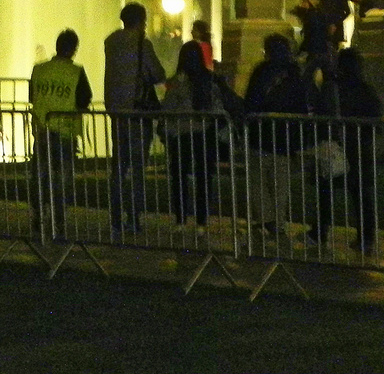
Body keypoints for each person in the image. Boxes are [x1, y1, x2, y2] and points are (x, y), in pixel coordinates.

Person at [244, 33, 318, 240]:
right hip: (283, 137)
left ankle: (269, 221)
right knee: (279, 186)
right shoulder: (295, 74)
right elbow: (302, 105)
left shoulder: (262, 72)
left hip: (262, 135)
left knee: (260, 183)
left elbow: (251, 100)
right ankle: (277, 223)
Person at [103, 2, 166, 236]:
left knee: (119, 166)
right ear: (140, 21)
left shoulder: (110, 42)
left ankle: (116, 216)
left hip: (117, 111)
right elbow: (157, 73)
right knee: (138, 167)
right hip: (138, 112)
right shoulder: (142, 43)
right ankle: (135, 216)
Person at [312, 49, 381, 252]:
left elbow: (321, 109)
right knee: (361, 194)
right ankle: (365, 237)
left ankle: (320, 231)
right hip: (359, 146)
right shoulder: (364, 89)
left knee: (327, 190)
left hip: (339, 146)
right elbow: (375, 114)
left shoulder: (334, 88)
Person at [29, 29, 93, 241]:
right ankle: (58, 220)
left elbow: (32, 96)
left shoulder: (39, 70)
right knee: (62, 179)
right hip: (65, 132)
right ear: (74, 49)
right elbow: (85, 99)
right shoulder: (76, 72)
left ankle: (38, 215)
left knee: (40, 176)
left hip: (41, 131)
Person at [160, 41, 229, 237]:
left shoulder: (176, 82)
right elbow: (217, 107)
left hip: (180, 135)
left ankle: (181, 220)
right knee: (203, 179)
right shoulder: (209, 80)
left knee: (179, 179)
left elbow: (167, 108)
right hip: (204, 134)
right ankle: (201, 222)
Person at [302, 0, 349, 112]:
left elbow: (346, 11)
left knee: (324, 71)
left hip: (330, 37)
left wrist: (334, 22)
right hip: (323, 37)